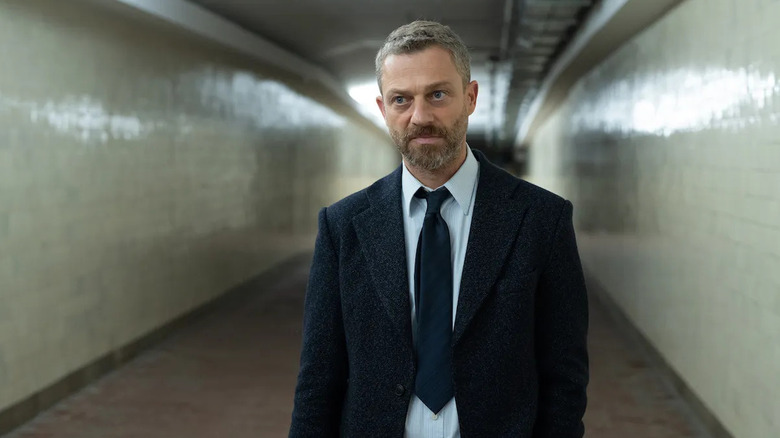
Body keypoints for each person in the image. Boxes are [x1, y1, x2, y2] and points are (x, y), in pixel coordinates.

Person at [289, 20, 588, 438]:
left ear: (470, 97)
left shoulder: (541, 219)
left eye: (438, 94)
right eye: (401, 99)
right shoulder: (343, 227)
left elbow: (565, 378)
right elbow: (318, 379)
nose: (420, 116)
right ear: (382, 109)